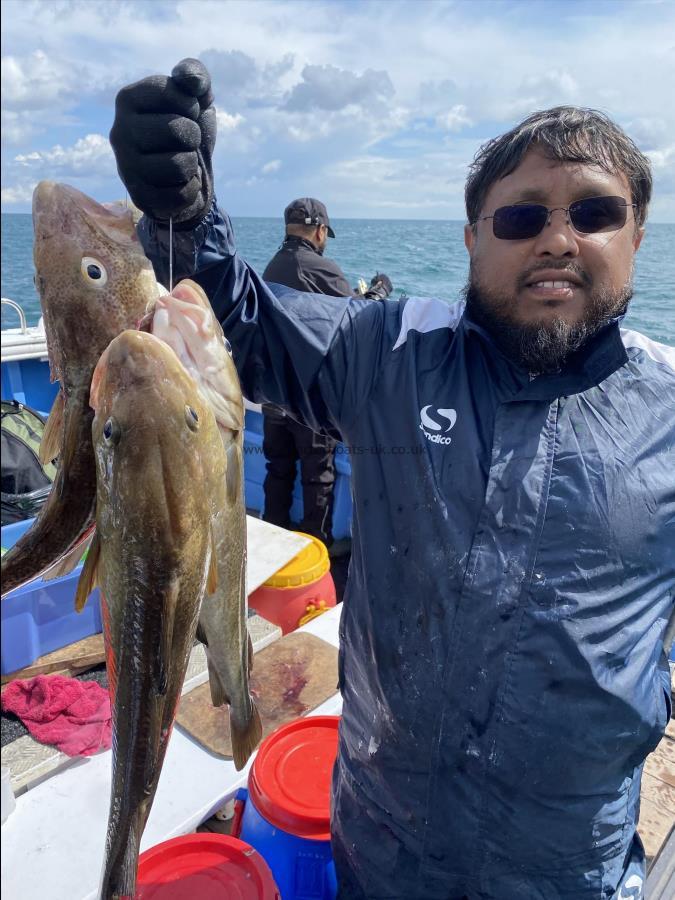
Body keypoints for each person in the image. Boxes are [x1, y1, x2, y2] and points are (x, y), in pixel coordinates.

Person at [110, 59, 674, 900]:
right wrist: (183, 216)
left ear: (636, 234)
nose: (557, 238)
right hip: (383, 839)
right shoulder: (390, 351)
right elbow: (242, 326)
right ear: (471, 239)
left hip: (569, 864)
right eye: (520, 216)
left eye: (593, 212)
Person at [260, 198, 392, 548]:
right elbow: (357, 317)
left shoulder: (271, 268)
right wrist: (379, 292)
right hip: (309, 400)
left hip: (274, 396)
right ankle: (313, 548)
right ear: (319, 231)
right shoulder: (321, 268)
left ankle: (272, 541)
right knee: (317, 477)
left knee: (278, 470)